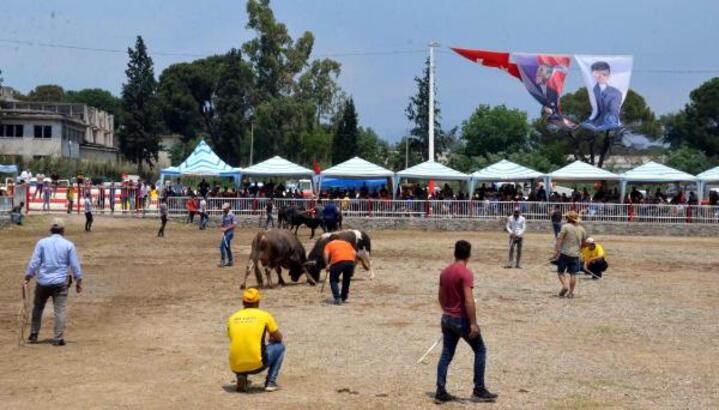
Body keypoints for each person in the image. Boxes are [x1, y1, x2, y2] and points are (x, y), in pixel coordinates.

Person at [435, 240, 497, 403]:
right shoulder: (465, 273)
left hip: (447, 317)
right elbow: (469, 300)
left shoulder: (445, 272)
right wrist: (473, 323)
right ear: (469, 255)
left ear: (454, 253)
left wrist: (447, 312)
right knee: (480, 350)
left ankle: (440, 391)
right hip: (460, 319)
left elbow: (440, 297)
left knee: (446, 354)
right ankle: (479, 389)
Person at [24, 218, 83, 346]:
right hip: (60, 283)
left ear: (51, 229)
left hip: (43, 281)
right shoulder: (68, 245)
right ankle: (57, 338)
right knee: (60, 310)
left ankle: (34, 334)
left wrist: (28, 276)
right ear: (63, 230)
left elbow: (34, 262)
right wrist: (79, 280)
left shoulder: (42, 243)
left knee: (38, 308)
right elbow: (75, 265)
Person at [228, 288, 285, 393]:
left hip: (235, 365)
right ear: (258, 301)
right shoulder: (264, 315)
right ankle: (270, 382)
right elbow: (279, 337)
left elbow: (233, 338)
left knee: (242, 347)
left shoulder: (232, 317)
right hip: (257, 364)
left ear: (243, 302)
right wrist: (272, 338)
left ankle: (241, 376)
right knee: (280, 346)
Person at [553, 211, 587, 298]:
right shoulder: (582, 229)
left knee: (560, 272)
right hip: (575, 255)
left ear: (568, 219)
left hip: (565, 253)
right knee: (573, 274)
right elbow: (584, 243)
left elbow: (560, 240)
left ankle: (565, 285)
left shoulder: (565, 227)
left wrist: (557, 252)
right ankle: (571, 293)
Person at [582, 61, 622, 131]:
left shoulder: (616, 93)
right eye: (597, 74)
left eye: (604, 74)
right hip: (592, 122)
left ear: (609, 75)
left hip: (610, 121)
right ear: (593, 75)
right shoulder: (590, 91)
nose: (600, 76)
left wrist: (612, 119)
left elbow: (614, 108)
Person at [323, 237, 357, 305]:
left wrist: (327, 265)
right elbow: (354, 253)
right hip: (350, 262)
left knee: (333, 279)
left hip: (339, 262)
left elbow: (325, 253)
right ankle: (344, 297)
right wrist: (353, 265)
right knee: (346, 280)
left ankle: (337, 298)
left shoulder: (329, 243)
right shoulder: (347, 243)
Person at [219, 203, 236, 267]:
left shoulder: (232, 215)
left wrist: (226, 228)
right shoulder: (224, 215)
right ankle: (230, 261)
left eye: (225, 208)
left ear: (228, 208)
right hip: (225, 233)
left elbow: (234, 225)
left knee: (222, 246)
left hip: (229, 233)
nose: (223, 210)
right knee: (227, 247)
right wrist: (221, 226)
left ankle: (222, 261)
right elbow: (223, 223)